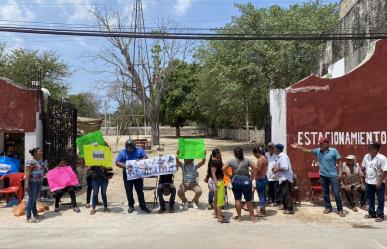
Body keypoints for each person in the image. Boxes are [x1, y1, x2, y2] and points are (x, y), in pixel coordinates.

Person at [292, 137, 345, 217]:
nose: (319, 145)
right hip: (323, 176)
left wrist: (340, 173)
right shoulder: (318, 151)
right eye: (319, 143)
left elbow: (340, 161)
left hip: (333, 176)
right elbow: (307, 150)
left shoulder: (333, 151)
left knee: (337, 193)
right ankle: (328, 208)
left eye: (321, 144)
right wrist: (298, 147)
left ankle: (340, 210)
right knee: (325, 193)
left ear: (326, 144)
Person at [116, 140, 151, 213]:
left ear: (134, 148)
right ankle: (131, 205)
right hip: (127, 174)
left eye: (131, 149)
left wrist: (142, 160)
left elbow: (145, 156)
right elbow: (117, 162)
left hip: (137, 174)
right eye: (128, 149)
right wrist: (124, 166)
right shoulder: (122, 152)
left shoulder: (139, 150)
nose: (129, 151)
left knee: (140, 191)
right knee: (129, 191)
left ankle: (143, 205)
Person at [224, 147, 256, 222]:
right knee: (249, 200)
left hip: (236, 181)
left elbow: (223, 168)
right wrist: (252, 177)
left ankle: (239, 217)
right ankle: (252, 217)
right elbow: (256, 167)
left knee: (237, 199)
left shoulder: (231, 161)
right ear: (242, 153)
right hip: (246, 181)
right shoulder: (247, 160)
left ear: (235, 153)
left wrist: (229, 176)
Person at [362, 142, 387, 222]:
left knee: (380, 199)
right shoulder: (366, 156)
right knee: (370, 198)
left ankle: (380, 215)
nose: (369, 148)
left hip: (378, 182)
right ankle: (372, 213)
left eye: (371, 147)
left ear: (376, 149)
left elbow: (385, 171)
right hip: (368, 181)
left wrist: (379, 181)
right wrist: (363, 172)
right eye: (368, 147)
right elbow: (363, 166)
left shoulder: (382, 158)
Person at [25, 147, 47, 223]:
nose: (41, 153)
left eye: (41, 151)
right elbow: (27, 173)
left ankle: (35, 214)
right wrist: (27, 184)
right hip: (32, 182)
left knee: (35, 199)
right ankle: (28, 217)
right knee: (31, 199)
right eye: (39, 151)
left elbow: (43, 170)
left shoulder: (40, 161)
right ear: (35, 153)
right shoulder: (30, 161)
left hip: (39, 182)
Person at [273, 144, 294, 214]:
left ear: (278, 149)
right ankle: (285, 206)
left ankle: (290, 208)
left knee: (286, 193)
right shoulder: (279, 156)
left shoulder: (283, 156)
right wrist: (275, 168)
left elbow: (285, 167)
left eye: (275, 148)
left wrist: (276, 170)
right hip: (282, 178)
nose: (274, 150)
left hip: (286, 178)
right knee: (283, 193)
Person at [208, 150, 228, 223]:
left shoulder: (217, 160)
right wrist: (216, 183)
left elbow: (223, 167)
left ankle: (217, 213)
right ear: (217, 154)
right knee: (219, 199)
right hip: (217, 181)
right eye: (220, 153)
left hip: (218, 181)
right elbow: (213, 173)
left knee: (217, 198)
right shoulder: (214, 162)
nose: (221, 153)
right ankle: (219, 217)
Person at [253, 146, 268, 217]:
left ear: (258, 152)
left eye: (254, 154)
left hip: (260, 179)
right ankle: (263, 210)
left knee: (261, 195)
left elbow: (258, 170)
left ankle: (262, 212)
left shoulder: (260, 159)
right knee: (263, 195)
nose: (254, 156)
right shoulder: (265, 158)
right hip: (264, 178)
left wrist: (252, 174)